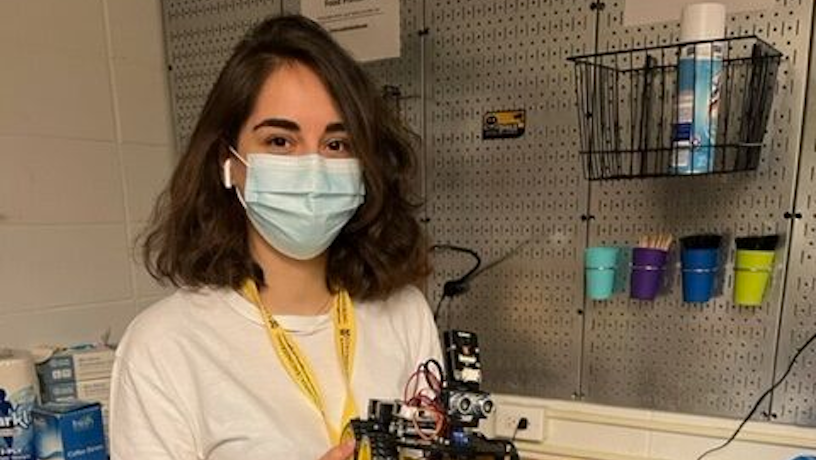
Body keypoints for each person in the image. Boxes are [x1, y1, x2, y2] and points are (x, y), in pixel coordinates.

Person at [109, 14, 441, 460]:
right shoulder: (163, 346)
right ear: (227, 162)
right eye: (280, 142)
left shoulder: (404, 314)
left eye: (337, 144)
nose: (313, 167)